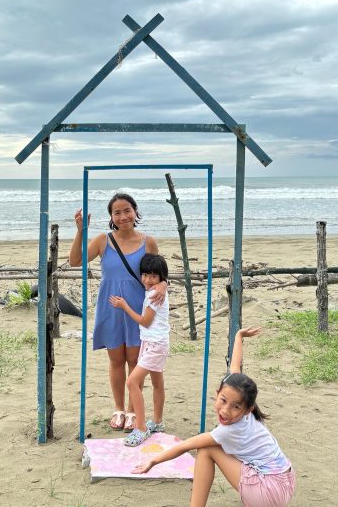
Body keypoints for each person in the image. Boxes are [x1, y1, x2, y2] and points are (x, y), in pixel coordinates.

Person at [132, 326, 296, 507]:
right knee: (213, 448)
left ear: (247, 409)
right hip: (286, 481)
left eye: (235, 407)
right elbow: (235, 367)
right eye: (223, 400)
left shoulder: (228, 431)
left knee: (206, 449)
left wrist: (153, 461)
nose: (225, 410)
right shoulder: (242, 397)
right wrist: (239, 336)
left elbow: (186, 445)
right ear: (218, 393)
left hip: (269, 491)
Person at [69, 193, 167, 433]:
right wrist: (81, 231)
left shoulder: (148, 242)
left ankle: (133, 411)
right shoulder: (103, 240)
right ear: (111, 217)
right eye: (117, 212)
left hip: (136, 308)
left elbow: (159, 273)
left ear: (135, 211)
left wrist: (164, 284)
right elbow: (75, 261)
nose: (123, 216)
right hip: (110, 307)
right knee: (115, 360)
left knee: (135, 360)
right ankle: (119, 409)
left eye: (127, 211)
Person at [109, 253, 170, 447]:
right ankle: (157, 421)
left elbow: (145, 321)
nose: (148, 280)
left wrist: (124, 306)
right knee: (157, 382)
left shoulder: (153, 295)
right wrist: (163, 283)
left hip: (155, 345)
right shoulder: (156, 290)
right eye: (145, 275)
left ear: (161, 277)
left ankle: (141, 428)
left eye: (153, 276)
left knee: (132, 382)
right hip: (154, 342)